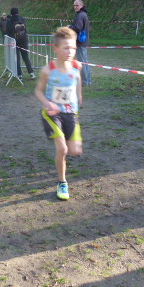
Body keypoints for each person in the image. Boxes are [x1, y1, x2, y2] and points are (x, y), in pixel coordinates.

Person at [35, 27, 83, 200]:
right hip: (52, 113)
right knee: (62, 149)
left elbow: (77, 81)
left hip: (71, 113)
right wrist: (48, 103)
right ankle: (62, 182)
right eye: (65, 48)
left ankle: (61, 166)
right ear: (55, 49)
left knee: (75, 151)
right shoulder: (48, 70)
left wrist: (79, 96)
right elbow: (38, 91)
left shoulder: (77, 66)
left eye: (73, 48)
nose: (70, 52)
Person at [6, 7, 35, 81]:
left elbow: (7, 31)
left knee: (17, 59)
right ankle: (31, 73)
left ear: (11, 13)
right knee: (26, 57)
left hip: (14, 41)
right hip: (24, 40)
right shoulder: (22, 19)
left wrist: (9, 19)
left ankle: (20, 75)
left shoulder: (10, 20)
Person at [69, 0, 91, 86]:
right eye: (74, 5)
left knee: (82, 62)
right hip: (83, 41)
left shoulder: (80, 15)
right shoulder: (83, 14)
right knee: (85, 61)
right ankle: (88, 80)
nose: (75, 7)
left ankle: (85, 82)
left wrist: (70, 26)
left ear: (82, 5)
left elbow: (78, 28)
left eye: (77, 5)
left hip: (80, 41)